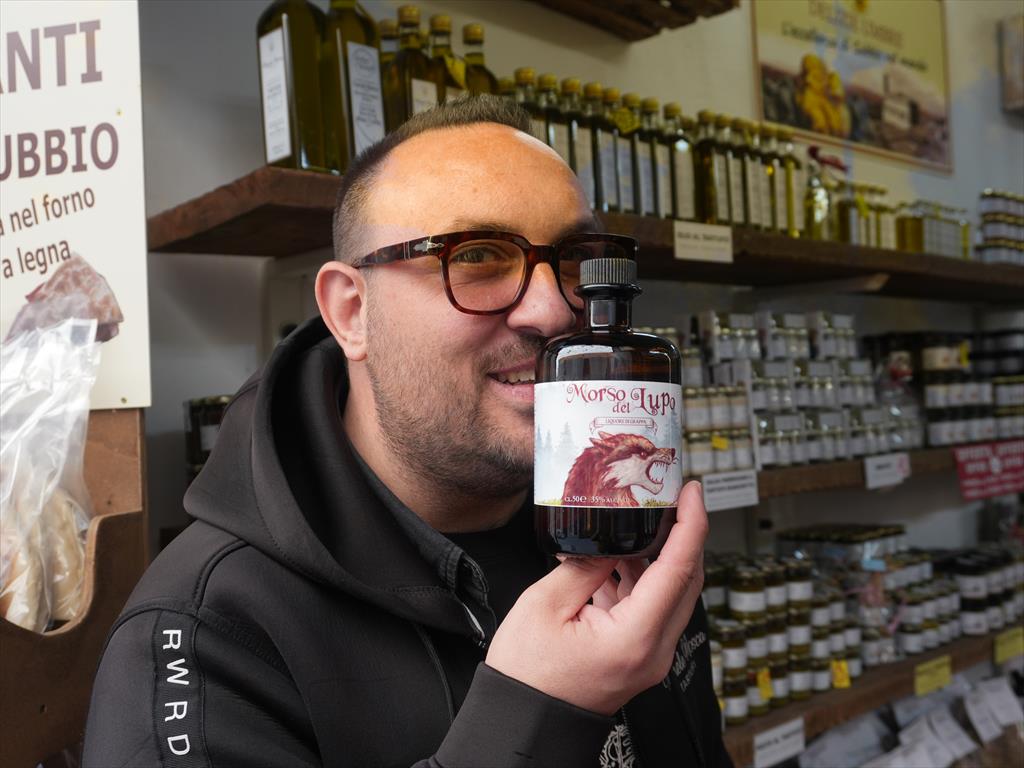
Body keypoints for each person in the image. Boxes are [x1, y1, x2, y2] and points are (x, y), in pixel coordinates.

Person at [83, 97, 729, 768]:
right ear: (352, 312)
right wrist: (533, 718)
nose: (552, 310)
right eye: (477, 255)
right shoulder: (206, 635)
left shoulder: (626, 533)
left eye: (576, 261)